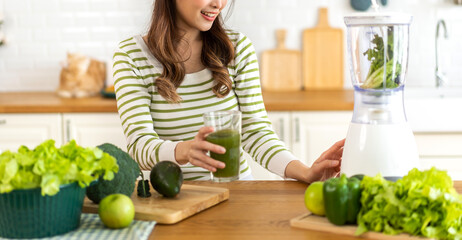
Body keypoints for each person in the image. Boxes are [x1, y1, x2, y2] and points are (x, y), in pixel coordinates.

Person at [112, 0, 345, 183]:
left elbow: (256, 132)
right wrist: (184, 150)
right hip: (172, 199)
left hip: (236, 192)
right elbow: (139, 147)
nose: (219, 4)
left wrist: (304, 172)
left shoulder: (237, 49)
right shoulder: (131, 57)